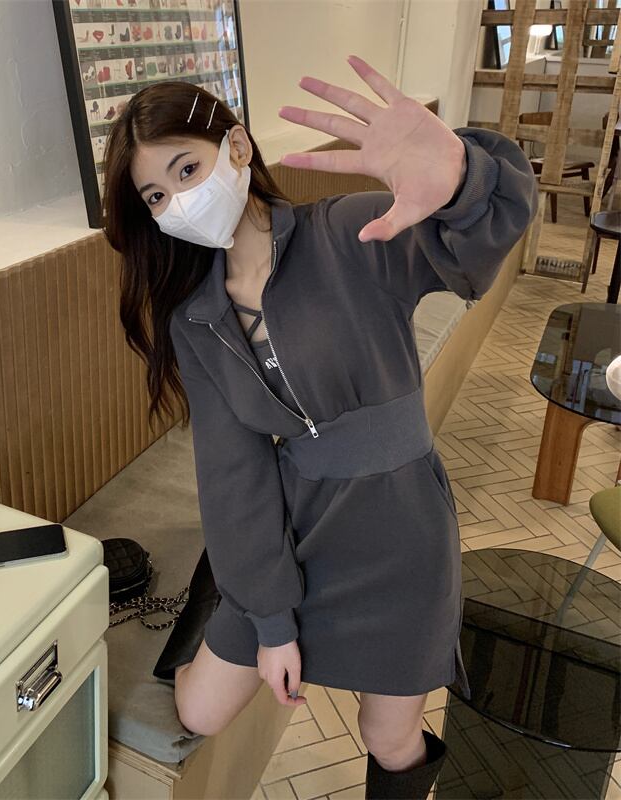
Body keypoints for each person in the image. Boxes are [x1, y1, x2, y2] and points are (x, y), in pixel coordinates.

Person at [101, 55, 538, 799]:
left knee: (388, 736)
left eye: (187, 169)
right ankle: (234, 585)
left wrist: (463, 180)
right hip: (297, 524)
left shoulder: (347, 231)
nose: (179, 201)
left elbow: (471, 256)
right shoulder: (196, 319)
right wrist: (272, 621)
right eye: (157, 194)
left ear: (238, 146)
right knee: (198, 709)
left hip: (401, 532)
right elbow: (232, 472)